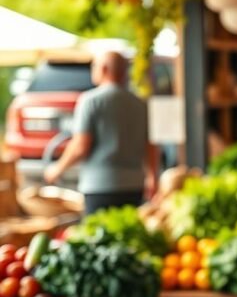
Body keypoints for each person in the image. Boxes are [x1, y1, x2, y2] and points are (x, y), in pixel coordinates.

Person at [44, 51, 157, 215]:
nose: (92, 71)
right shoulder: (140, 104)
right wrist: (153, 177)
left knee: (99, 237)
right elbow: (150, 145)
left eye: (94, 66)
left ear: (104, 69)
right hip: (134, 185)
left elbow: (80, 147)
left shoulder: (90, 100)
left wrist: (57, 169)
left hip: (100, 186)